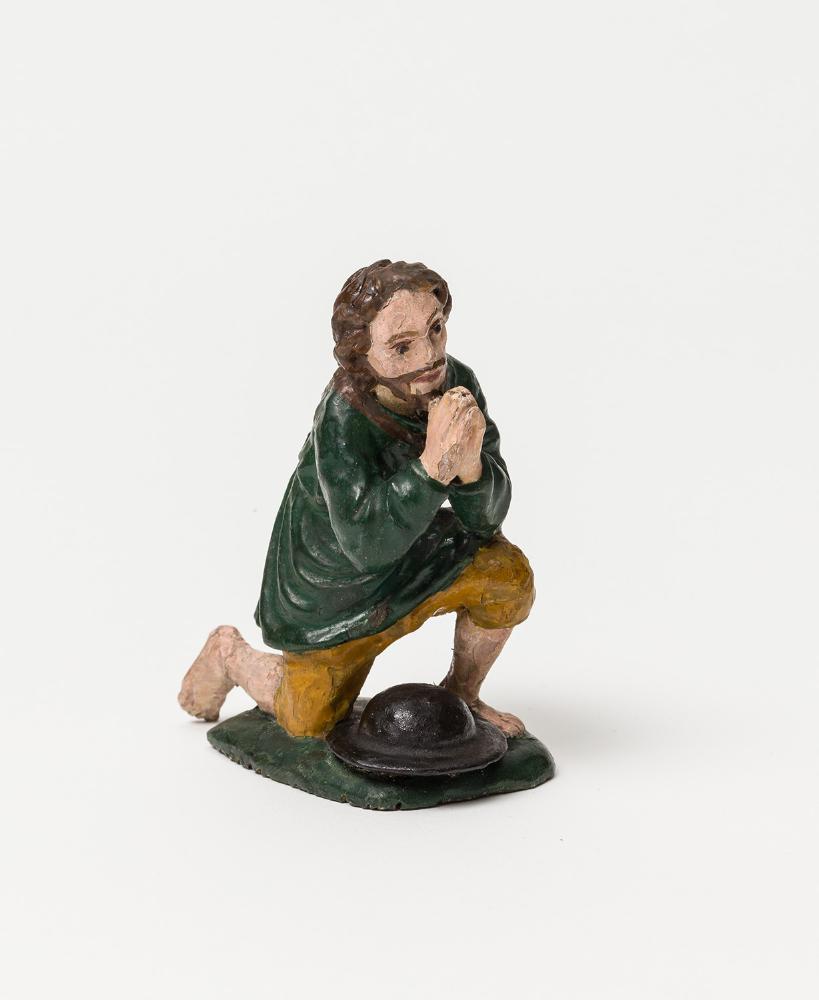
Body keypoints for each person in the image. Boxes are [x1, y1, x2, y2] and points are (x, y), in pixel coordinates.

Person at [179, 260, 535, 737]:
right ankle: (230, 654)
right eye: (402, 346)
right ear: (361, 355)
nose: (429, 356)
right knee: (307, 721)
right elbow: (366, 545)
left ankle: (463, 693)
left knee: (506, 576)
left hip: (415, 552)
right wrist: (433, 468)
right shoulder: (343, 416)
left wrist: (471, 468)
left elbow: (486, 522)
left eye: (435, 329)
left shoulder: (457, 384)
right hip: (334, 586)